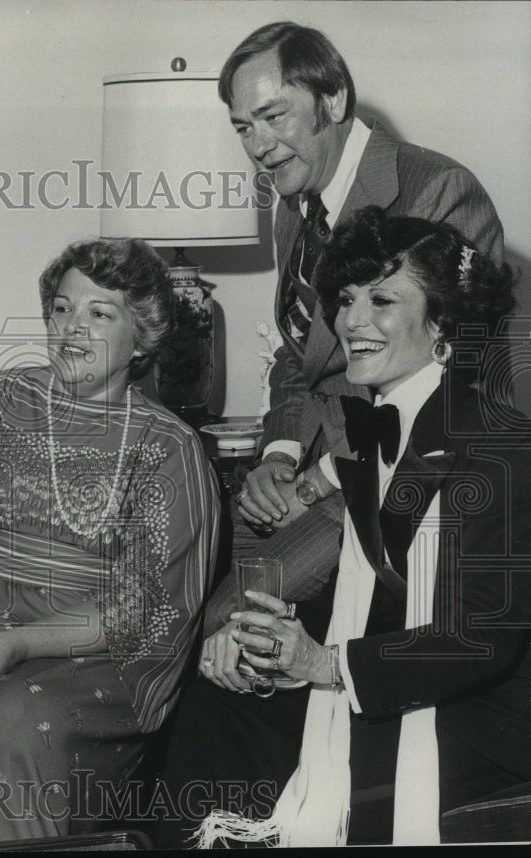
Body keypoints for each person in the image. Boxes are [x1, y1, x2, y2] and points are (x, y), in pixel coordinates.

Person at [158, 22, 507, 846]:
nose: (258, 144)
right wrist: (280, 454)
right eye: (242, 126)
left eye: (274, 116)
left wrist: (322, 480)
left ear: (335, 99)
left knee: (225, 634)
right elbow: (296, 356)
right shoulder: (296, 205)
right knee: (179, 592)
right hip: (317, 465)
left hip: (405, 471)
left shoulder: (434, 187)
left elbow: (460, 374)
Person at [196, 207, 530, 846]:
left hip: (480, 727)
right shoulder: (370, 435)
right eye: (345, 299)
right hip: (402, 698)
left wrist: (324, 663)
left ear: (443, 324)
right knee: (213, 716)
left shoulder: (501, 446)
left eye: (381, 300)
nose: (351, 321)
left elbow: (479, 639)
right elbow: (381, 604)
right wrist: (285, 657)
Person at [0, 238, 219, 845]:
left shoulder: (168, 449)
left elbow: (144, 609)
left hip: (89, 657)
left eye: (100, 313)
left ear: (142, 335)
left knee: (8, 722)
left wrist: (16, 643)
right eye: (62, 309)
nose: (73, 328)